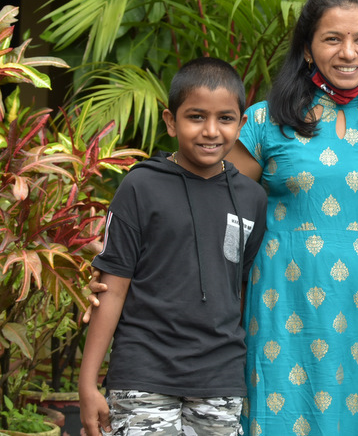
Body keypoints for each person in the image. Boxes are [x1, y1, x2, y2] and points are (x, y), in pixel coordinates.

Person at [225, 0, 358, 436]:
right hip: (278, 305)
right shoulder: (264, 121)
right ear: (307, 49)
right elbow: (222, 217)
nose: (348, 52)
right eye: (332, 39)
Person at [79, 57, 268, 436]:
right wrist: (87, 384)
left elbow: (240, 286)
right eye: (196, 117)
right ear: (170, 121)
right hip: (143, 374)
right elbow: (112, 289)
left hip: (219, 379)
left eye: (225, 119)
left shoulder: (252, 198)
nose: (211, 131)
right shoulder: (140, 187)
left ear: (242, 124)